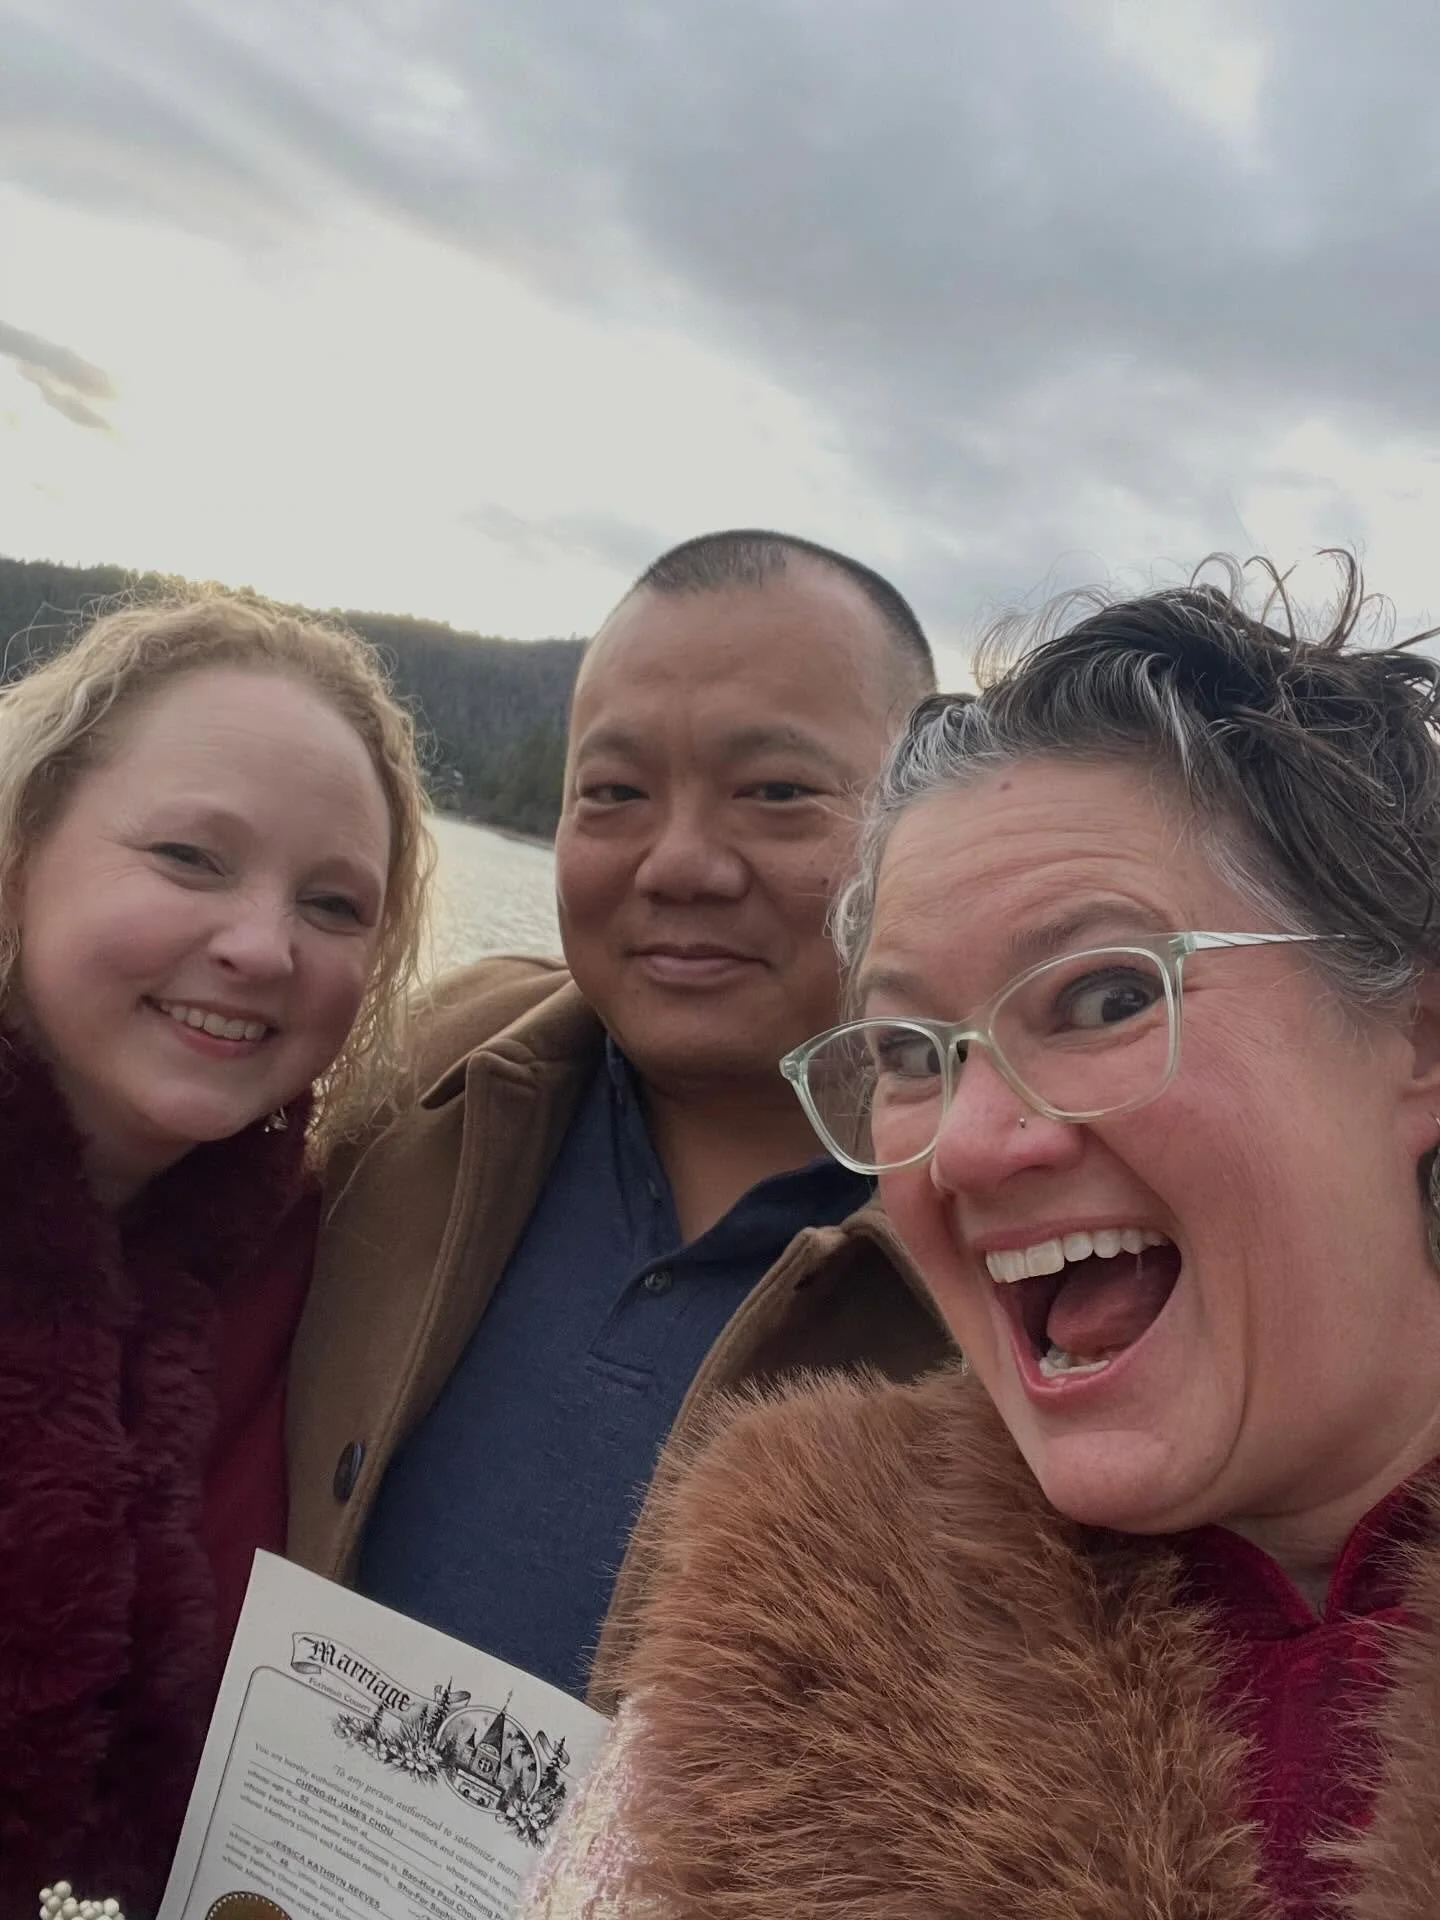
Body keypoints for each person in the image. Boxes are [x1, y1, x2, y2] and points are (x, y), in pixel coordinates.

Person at [524, 557, 1440, 1920]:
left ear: (1414, 1038)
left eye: (1103, 995)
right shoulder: (794, 1640)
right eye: (908, 1049)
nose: (963, 1142)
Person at [290, 529, 955, 1703]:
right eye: (614, 794)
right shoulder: (415, 1076)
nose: (680, 863)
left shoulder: (1011, 1245)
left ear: (923, 822)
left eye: (776, 792)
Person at [0, 594, 433, 1916]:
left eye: (332, 902)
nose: (261, 946)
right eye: (191, 856)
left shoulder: (318, 1264)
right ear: (23, 854)